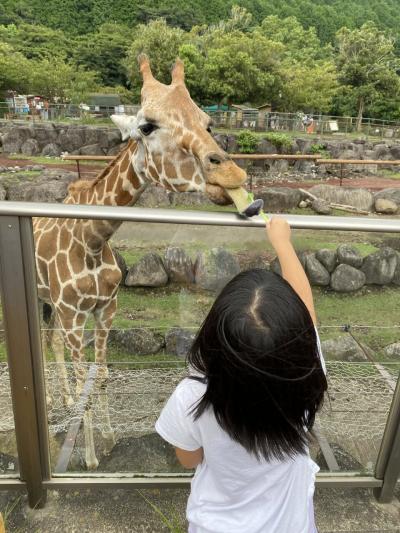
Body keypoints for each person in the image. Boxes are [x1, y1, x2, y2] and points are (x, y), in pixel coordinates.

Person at [155, 217, 328, 533]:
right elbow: (307, 305)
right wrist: (282, 243)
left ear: (212, 336)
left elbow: (188, 459)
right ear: (299, 341)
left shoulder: (194, 396)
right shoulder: (303, 375)